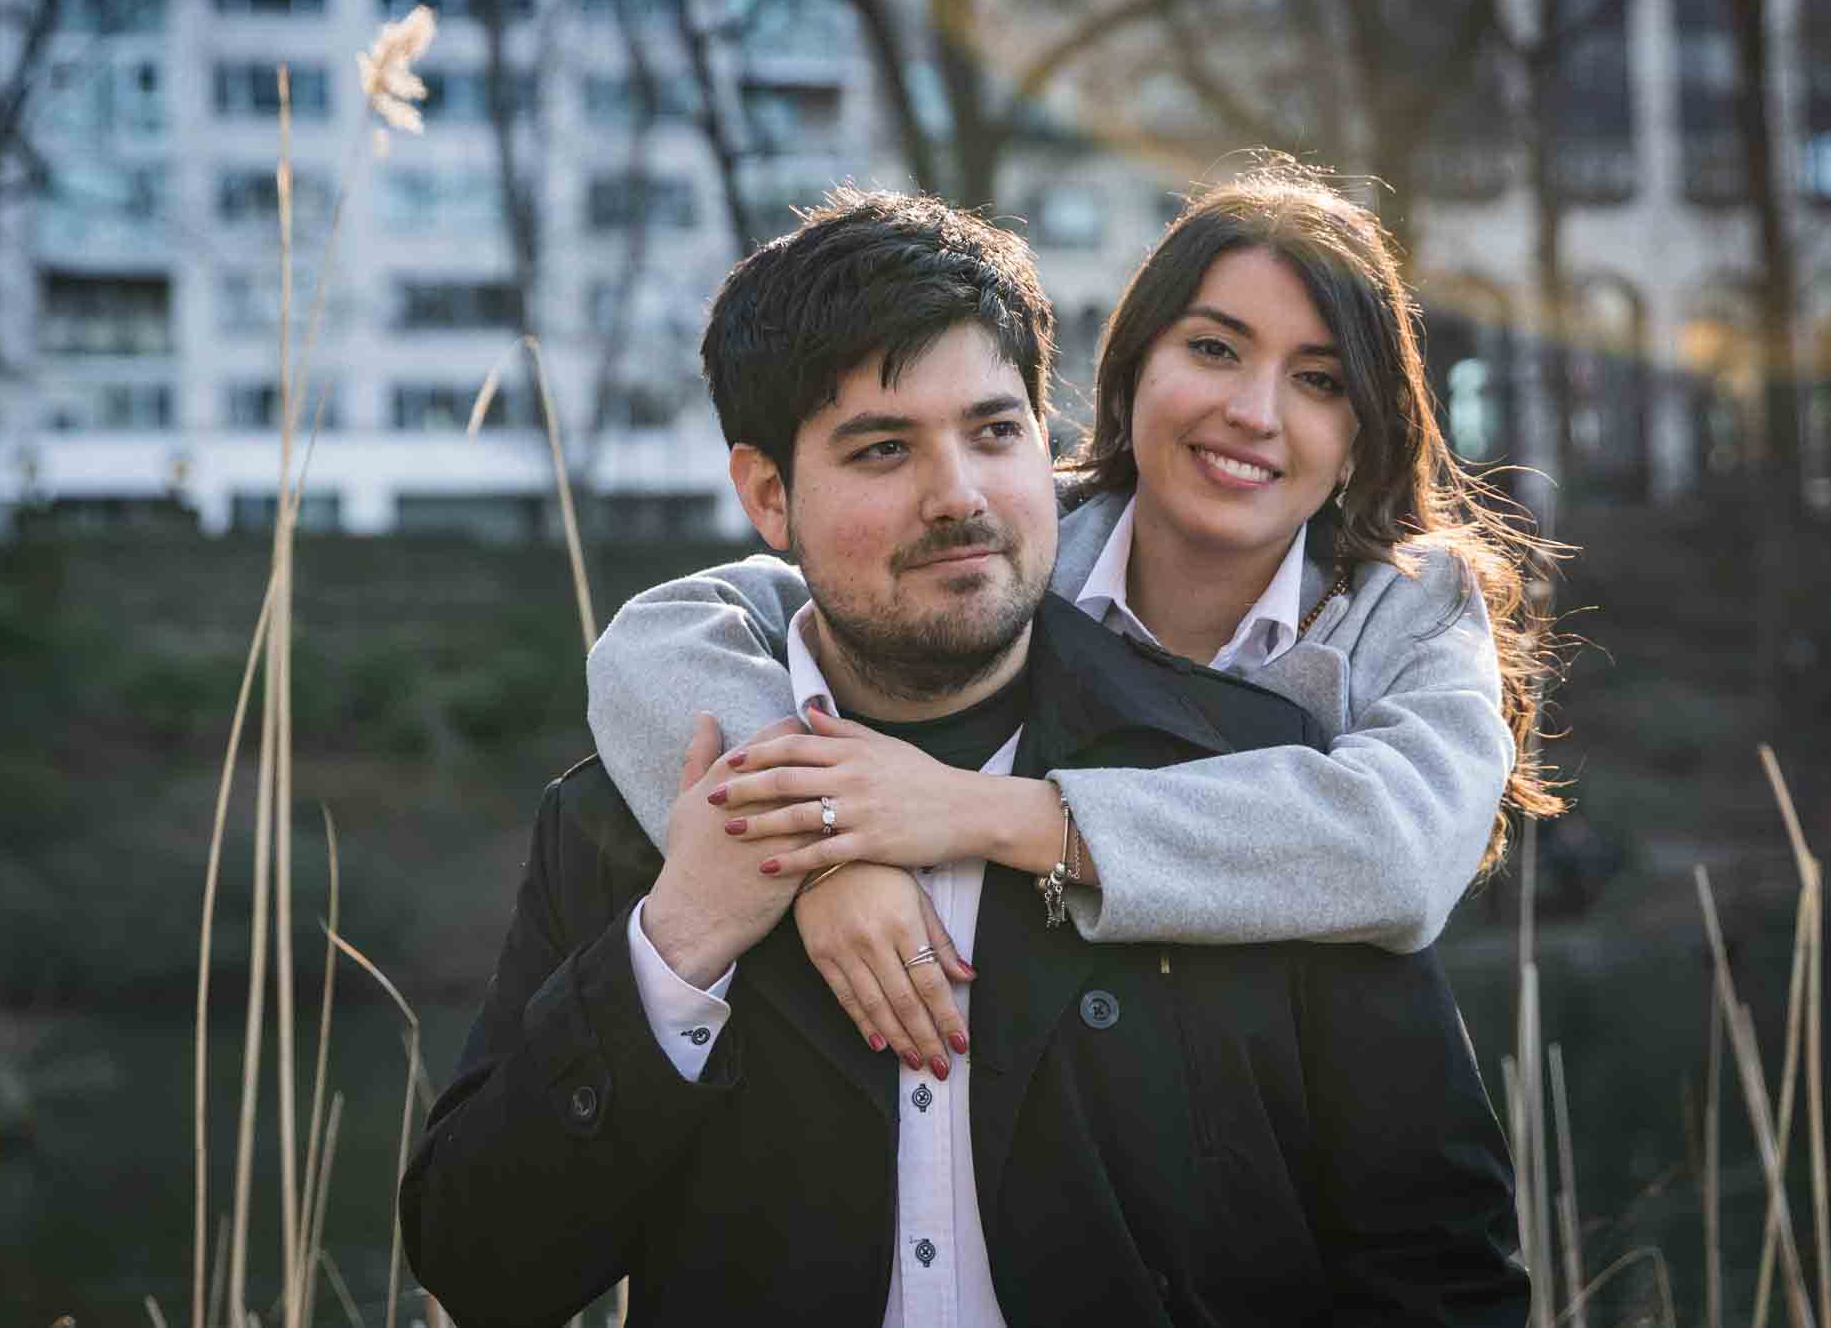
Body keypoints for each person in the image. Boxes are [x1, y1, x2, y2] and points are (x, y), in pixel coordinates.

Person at [401, 187, 1526, 1326]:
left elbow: (1437, 1268)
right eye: (883, 449)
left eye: (994, 433)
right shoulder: (635, 817)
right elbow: (480, 1267)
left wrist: (1014, 821)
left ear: (1044, 443)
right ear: (767, 496)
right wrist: (690, 935)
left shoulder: (1258, 782)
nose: (959, 498)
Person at [585, 161, 1560, 1080]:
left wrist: (983, 813)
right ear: (1129, 371)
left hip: (1301, 1095)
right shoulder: (1008, 544)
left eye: (1318, 379)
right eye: (1213, 349)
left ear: (1357, 437)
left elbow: (1395, 853)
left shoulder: (1411, 609)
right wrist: (819, 852)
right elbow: (663, 638)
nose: (1253, 412)